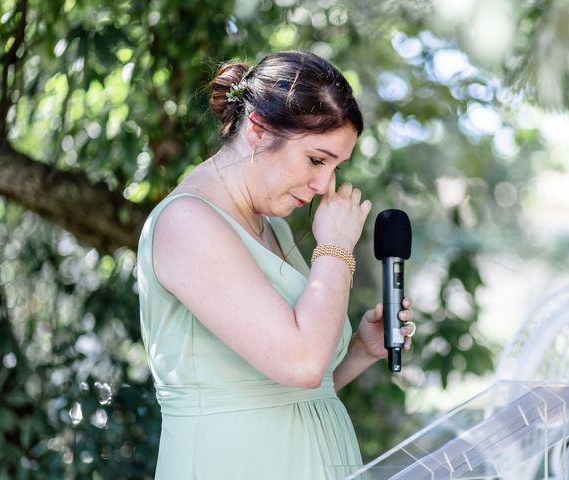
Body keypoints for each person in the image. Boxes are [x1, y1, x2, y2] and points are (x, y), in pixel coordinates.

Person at [137, 51, 416, 479]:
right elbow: (301, 364)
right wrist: (336, 247)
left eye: (336, 167)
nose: (325, 185)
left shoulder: (274, 228)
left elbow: (290, 391)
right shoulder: (187, 222)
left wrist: (359, 351)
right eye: (316, 160)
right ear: (258, 130)